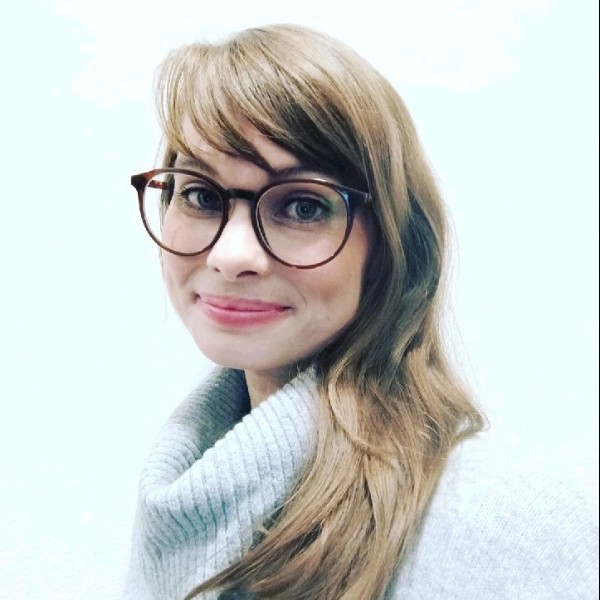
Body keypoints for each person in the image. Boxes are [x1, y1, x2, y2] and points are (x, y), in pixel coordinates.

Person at [123, 24, 598, 600]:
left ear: (390, 246)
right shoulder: (182, 500)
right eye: (200, 196)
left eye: (302, 206)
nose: (232, 255)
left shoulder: (505, 527)